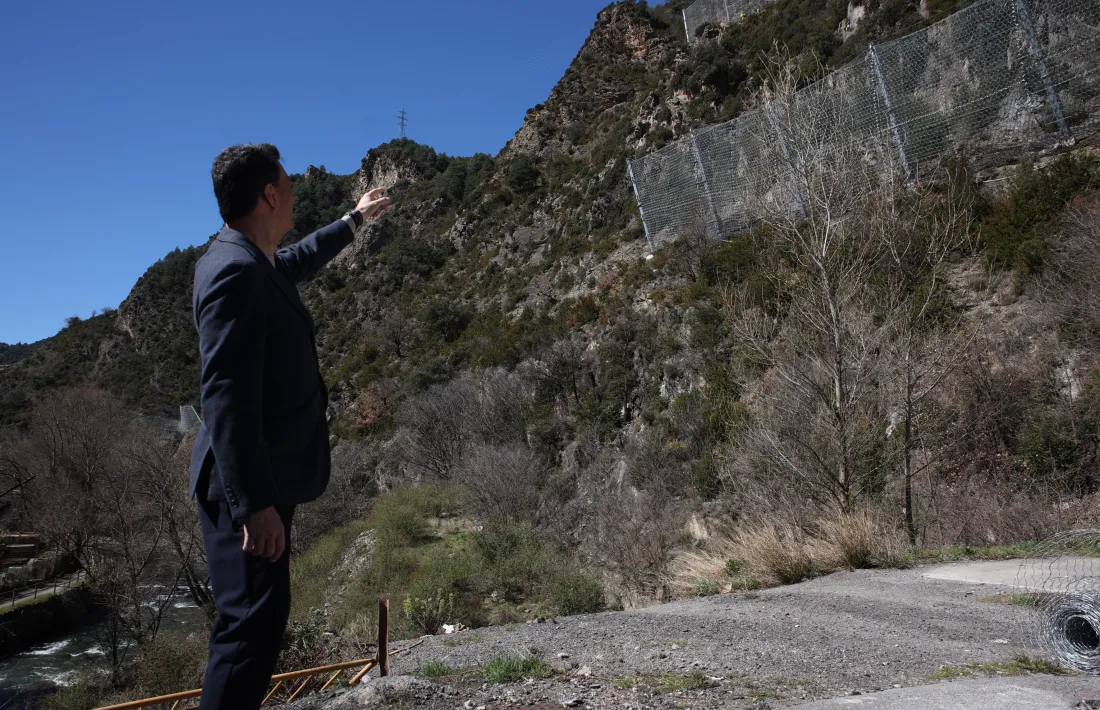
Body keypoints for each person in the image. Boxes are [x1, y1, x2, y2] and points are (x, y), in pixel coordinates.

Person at [188, 143, 390, 709]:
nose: (295, 190)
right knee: (247, 630)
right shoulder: (232, 270)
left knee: (258, 624)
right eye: (287, 181)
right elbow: (224, 394)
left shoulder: (252, 259)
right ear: (269, 194)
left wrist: (354, 218)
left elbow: (297, 259)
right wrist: (252, 504)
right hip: (244, 488)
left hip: (263, 478)